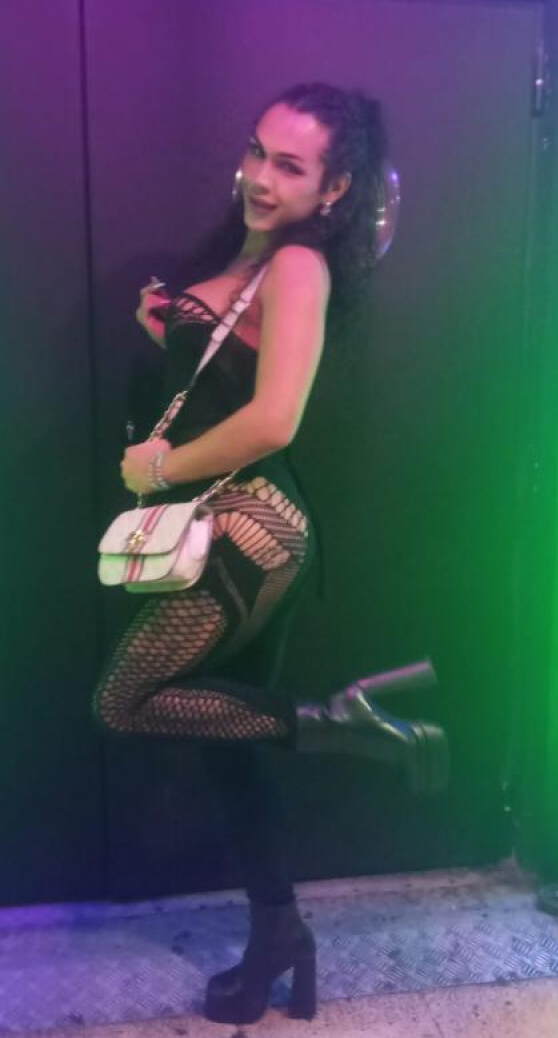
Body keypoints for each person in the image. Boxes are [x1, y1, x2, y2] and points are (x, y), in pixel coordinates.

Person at [92, 82, 442, 1025]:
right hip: (232, 524)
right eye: (256, 151)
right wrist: (171, 325)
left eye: (289, 165)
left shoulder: (297, 263)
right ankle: (280, 935)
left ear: (334, 188)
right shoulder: (250, 256)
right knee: (229, 751)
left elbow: (275, 418)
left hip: (254, 523)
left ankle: (340, 720)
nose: (259, 175)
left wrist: (157, 464)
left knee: (123, 698)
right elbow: (227, 366)